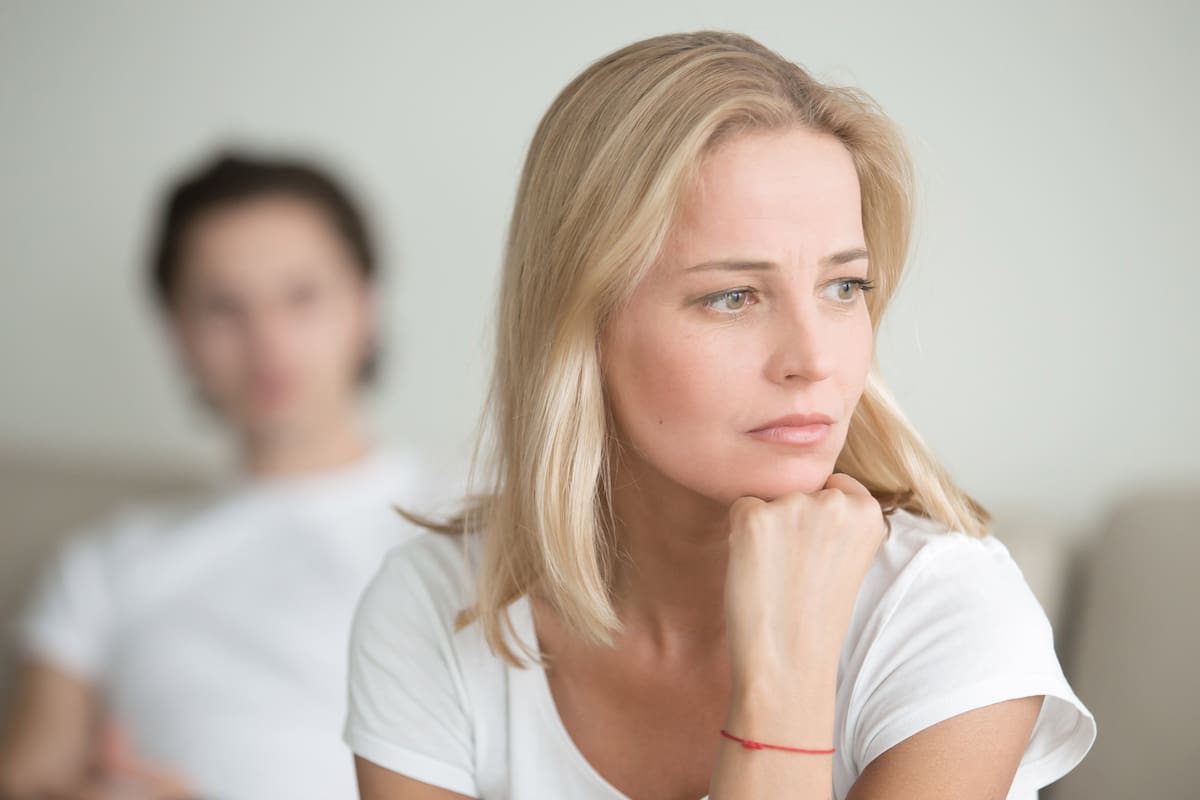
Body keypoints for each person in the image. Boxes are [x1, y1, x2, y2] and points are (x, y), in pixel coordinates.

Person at [342, 30, 1097, 800]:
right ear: (582, 324)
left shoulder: (949, 611)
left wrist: (785, 672)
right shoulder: (436, 607)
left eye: (843, 287)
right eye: (733, 297)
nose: (814, 359)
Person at [0, 152, 450, 799]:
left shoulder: (480, 528)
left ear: (365, 306)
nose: (268, 341)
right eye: (222, 307)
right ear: (176, 334)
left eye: (301, 297)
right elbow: (28, 778)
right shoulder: (104, 563)